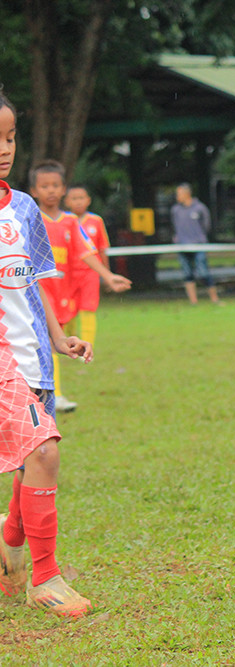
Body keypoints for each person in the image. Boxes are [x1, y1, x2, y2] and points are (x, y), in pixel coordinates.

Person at [0, 92, 94, 617]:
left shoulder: (24, 208)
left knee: (27, 461)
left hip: (31, 357)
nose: (5, 148)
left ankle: (12, 554)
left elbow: (34, 285)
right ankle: (46, 577)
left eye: (10, 137)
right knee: (44, 452)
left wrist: (58, 339)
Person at [30, 161, 131, 412]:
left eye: (55, 185)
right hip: (39, 291)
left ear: (63, 189)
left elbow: (86, 252)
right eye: (44, 186)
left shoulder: (71, 221)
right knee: (46, 342)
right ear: (34, 190)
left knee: (59, 340)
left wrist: (107, 276)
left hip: (65, 288)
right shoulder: (30, 218)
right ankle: (55, 394)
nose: (51, 190)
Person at [64, 184, 110, 345]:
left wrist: (107, 274)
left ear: (88, 200)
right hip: (68, 274)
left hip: (90, 273)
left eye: (81, 198)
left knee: (88, 308)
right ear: (67, 201)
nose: (78, 202)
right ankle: (71, 340)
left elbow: (102, 249)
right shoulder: (64, 221)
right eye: (74, 198)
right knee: (68, 309)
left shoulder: (96, 221)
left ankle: (87, 347)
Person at [171, 183, 219, 305]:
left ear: (187, 194)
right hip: (182, 246)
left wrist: (199, 238)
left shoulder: (200, 208)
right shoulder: (175, 210)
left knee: (204, 273)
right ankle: (194, 302)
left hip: (198, 246)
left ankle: (215, 299)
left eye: (179, 193)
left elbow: (206, 226)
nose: (177, 196)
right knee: (187, 274)